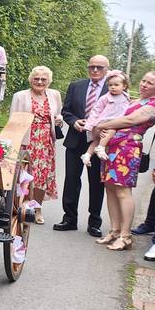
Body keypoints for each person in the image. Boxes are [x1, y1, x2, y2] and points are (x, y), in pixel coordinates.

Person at [94, 71, 155, 251]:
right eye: (143, 80)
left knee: (123, 191)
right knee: (110, 188)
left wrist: (101, 125)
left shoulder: (153, 104)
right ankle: (114, 230)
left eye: (149, 83)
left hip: (128, 149)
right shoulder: (135, 101)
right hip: (112, 148)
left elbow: (130, 120)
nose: (144, 84)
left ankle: (126, 235)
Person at [54, 55, 110, 236]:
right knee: (71, 180)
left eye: (99, 67)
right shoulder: (76, 86)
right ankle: (69, 218)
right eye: (92, 66)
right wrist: (74, 121)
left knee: (96, 183)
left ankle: (94, 222)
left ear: (106, 70)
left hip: (98, 142)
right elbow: (66, 111)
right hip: (75, 139)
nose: (95, 70)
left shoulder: (113, 88)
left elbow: (119, 113)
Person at [10, 66, 63, 224]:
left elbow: (58, 112)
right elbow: (13, 120)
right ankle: (21, 206)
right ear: (30, 80)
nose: (39, 82)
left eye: (43, 79)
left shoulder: (54, 95)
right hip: (27, 139)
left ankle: (37, 208)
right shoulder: (20, 96)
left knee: (42, 177)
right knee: (24, 175)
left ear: (49, 81)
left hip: (46, 141)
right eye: (36, 78)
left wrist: (58, 118)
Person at [81, 70, 130, 166]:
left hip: (117, 122)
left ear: (124, 86)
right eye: (110, 85)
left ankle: (87, 155)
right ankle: (101, 147)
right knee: (110, 131)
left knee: (97, 140)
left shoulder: (126, 97)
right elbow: (95, 111)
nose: (113, 87)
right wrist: (90, 125)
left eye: (116, 85)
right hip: (106, 121)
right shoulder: (105, 98)